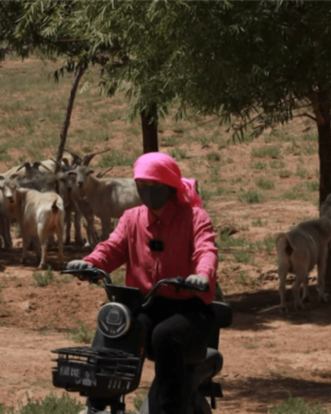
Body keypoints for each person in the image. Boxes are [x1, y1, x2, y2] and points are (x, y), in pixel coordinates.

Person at [66, 152, 218, 414]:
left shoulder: (195, 217)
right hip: (146, 304)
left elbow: (205, 251)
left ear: (170, 186)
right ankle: (100, 404)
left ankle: (170, 409)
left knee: (165, 335)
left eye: (154, 185)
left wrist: (201, 276)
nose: (147, 192)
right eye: (142, 185)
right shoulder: (132, 217)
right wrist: (91, 263)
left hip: (187, 306)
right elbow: (112, 247)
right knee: (116, 326)